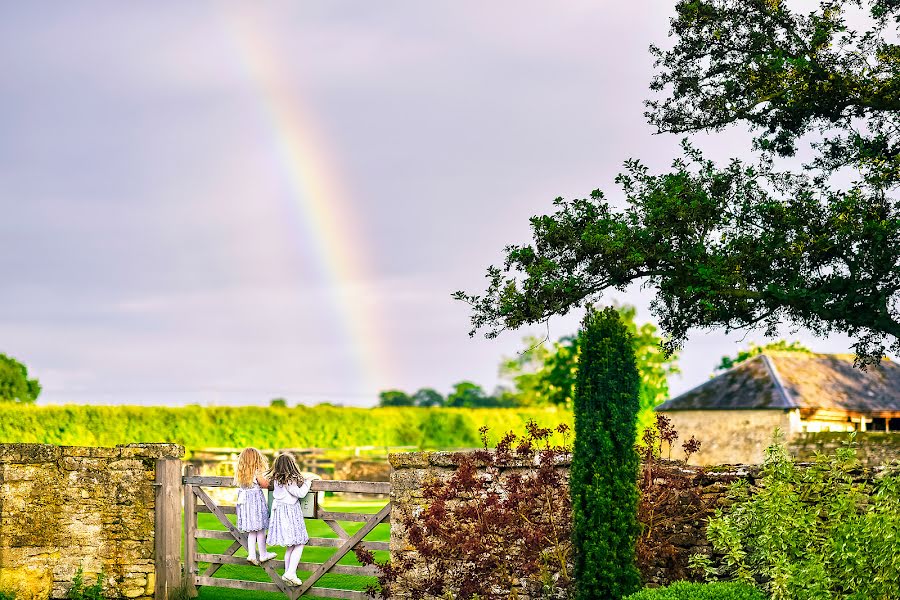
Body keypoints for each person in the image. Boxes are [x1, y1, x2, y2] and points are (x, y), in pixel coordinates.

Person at [266, 453, 311, 586]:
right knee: (300, 542)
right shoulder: (289, 480)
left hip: (280, 512)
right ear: (291, 465)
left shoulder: (276, 480)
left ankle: (288, 574)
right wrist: (308, 482)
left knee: (290, 546)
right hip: (290, 513)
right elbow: (300, 493)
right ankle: (291, 572)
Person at [234, 448, 277, 565]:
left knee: (252, 530)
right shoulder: (256, 471)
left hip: (244, 502)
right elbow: (264, 484)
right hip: (255, 502)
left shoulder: (241, 472)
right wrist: (270, 482)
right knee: (261, 528)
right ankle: (263, 554)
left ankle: (252, 554)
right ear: (256, 459)